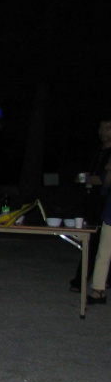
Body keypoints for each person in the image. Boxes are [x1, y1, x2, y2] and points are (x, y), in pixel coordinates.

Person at [70, 118, 111, 291]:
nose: (103, 132)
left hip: (105, 202)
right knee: (92, 241)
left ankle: (82, 281)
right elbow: (87, 176)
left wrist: (89, 179)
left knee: (95, 242)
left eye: (108, 128)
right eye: (101, 128)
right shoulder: (97, 151)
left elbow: (104, 180)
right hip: (91, 199)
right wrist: (84, 178)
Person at [86, 155, 111, 305]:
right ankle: (98, 291)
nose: (107, 164)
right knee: (103, 253)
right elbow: (104, 189)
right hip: (109, 216)